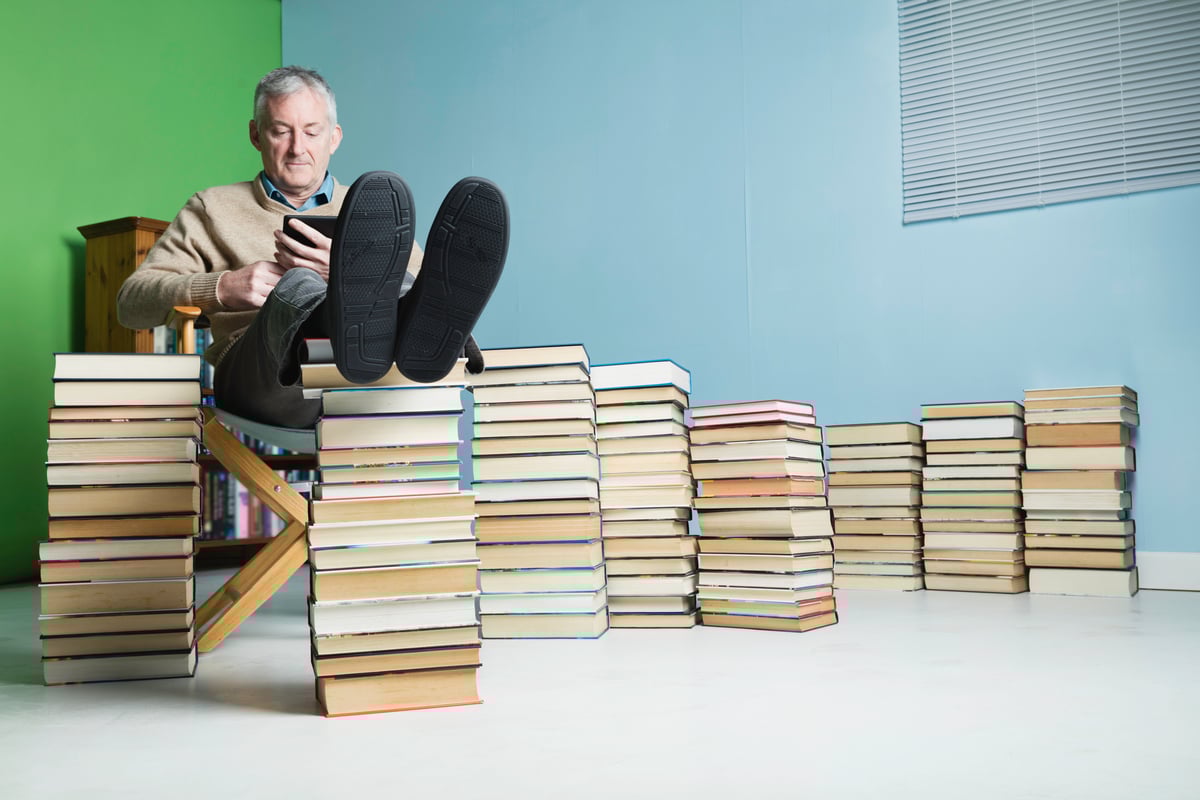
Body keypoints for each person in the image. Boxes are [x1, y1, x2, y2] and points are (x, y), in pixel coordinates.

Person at [116, 66, 507, 428]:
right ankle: (346, 317)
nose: (297, 148)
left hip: (374, 383)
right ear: (256, 134)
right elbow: (130, 303)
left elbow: (422, 289)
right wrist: (223, 288)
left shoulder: (375, 209)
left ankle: (374, 335)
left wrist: (341, 274)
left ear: (334, 137)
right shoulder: (211, 208)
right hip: (263, 382)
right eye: (281, 131)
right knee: (299, 284)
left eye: (312, 131)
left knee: (409, 291)